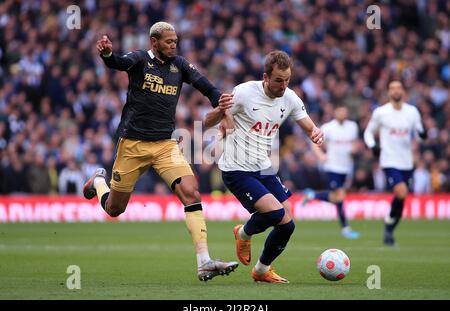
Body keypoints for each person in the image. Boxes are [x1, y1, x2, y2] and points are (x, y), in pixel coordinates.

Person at [84, 21, 238, 281]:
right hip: (132, 145)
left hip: (166, 144)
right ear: (154, 42)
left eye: (176, 40)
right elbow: (118, 63)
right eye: (169, 41)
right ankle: (99, 181)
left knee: (191, 192)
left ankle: (204, 262)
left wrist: (219, 101)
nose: (174, 45)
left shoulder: (180, 65)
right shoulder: (140, 59)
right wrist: (107, 54)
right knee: (114, 209)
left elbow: (204, 85)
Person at [204, 50, 324, 283]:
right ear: (266, 77)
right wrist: (220, 110)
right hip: (236, 168)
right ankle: (243, 233)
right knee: (275, 213)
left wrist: (315, 133)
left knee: (287, 224)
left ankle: (261, 271)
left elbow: (309, 126)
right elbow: (208, 121)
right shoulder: (244, 93)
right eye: (278, 80)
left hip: (264, 167)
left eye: (287, 79)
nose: (283, 85)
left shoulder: (289, 97)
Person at [364, 80, 426, 246]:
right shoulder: (381, 112)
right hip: (389, 160)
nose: (396, 91)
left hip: (407, 161)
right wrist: (373, 146)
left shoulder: (412, 112)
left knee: (402, 197)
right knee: (401, 191)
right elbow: (368, 132)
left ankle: (389, 227)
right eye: (392, 88)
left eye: (398, 88)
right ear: (389, 92)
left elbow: (419, 133)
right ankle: (389, 226)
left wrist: (423, 134)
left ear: (403, 91)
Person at [301, 106, 361, 239]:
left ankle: (313, 195)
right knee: (340, 196)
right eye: (340, 111)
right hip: (332, 167)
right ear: (335, 112)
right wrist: (321, 156)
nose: (342, 113)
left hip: (346, 167)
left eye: (344, 111)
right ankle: (345, 228)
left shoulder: (352, 127)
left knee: (337, 198)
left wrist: (354, 149)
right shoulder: (328, 127)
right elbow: (314, 143)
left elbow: (355, 143)